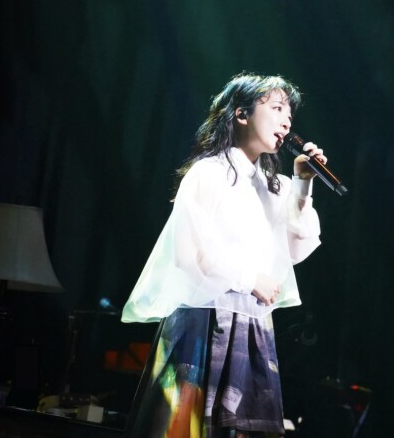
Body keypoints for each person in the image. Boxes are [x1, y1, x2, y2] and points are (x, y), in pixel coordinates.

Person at [121, 72, 326, 437]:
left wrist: (303, 183)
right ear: (242, 114)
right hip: (203, 321)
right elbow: (188, 254)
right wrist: (250, 279)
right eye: (277, 108)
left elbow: (295, 249)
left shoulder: (273, 187)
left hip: (251, 326)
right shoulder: (208, 173)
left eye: (289, 114)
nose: (286, 121)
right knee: (182, 427)